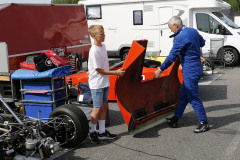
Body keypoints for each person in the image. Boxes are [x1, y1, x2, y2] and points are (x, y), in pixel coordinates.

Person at [153, 16, 209, 133]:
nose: (171, 31)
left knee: (193, 96)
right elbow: (202, 43)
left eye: (171, 28)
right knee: (183, 96)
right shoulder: (192, 31)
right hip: (197, 67)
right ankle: (175, 119)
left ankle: (204, 122)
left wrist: (160, 69)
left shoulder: (179, 37)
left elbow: (171, 57)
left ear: (175, 26)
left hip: (190, 70)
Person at [88, 25, 125, 143]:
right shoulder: (94, 50)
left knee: (104, 107)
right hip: (97, 84)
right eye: (101, 34)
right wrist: (116, 73)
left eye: (104, 33)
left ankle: (102, 131)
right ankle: (92, 133)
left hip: (104, 82)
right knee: (97, 108)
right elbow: (99, 70)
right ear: (94, 36)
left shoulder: (103, 46)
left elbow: (104, 66)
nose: (104, 36)